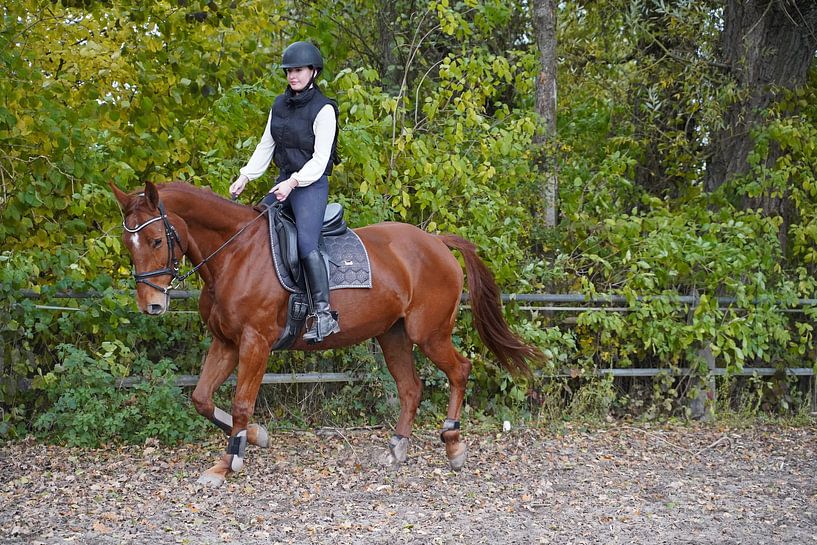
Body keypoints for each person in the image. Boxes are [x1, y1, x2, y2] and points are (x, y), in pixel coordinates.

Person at [229, 41, 340, 343]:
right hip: (283, 183)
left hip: (309, 186)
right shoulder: (279, 105)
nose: (293, 76)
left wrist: (293, 183)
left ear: (313, 72)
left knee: (305, 244)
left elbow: (319, 161)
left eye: (299, 70)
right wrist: (245, 177)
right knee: (252, 228)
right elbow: (266, 146)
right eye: (290, 71)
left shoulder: (324, 110)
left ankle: (323, 312)